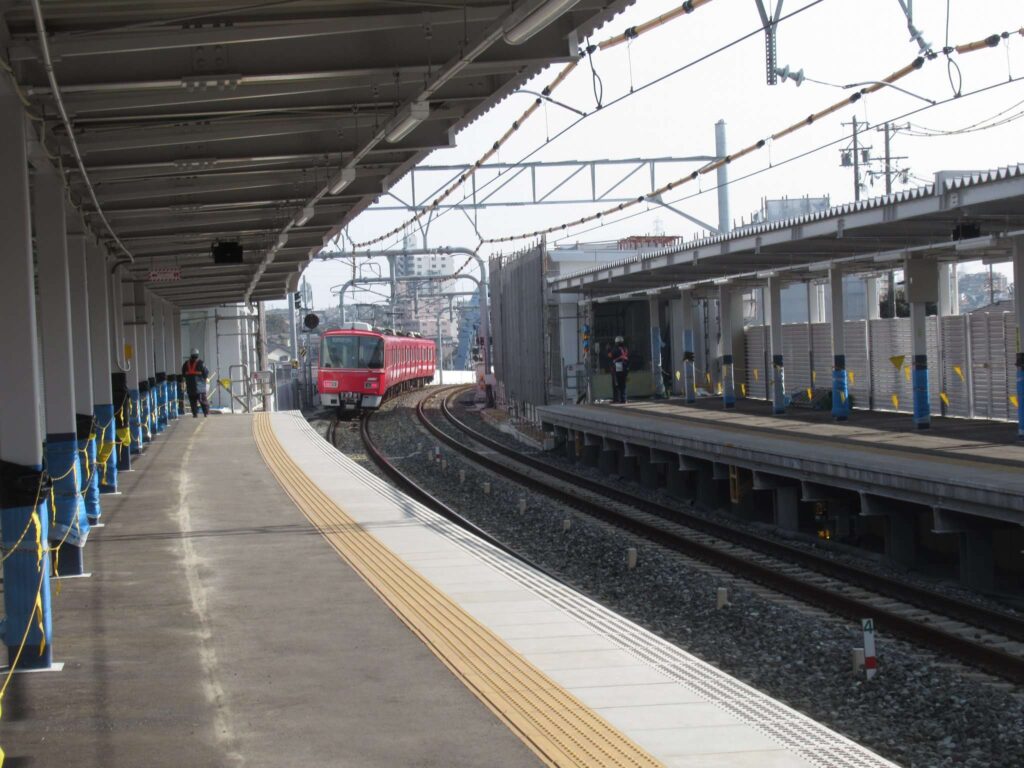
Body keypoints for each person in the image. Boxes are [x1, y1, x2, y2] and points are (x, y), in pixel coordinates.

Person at [181, 349, 210, 418]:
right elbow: (206, 373)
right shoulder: (201, 363)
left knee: (192, 401)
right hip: (199, 387)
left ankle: (195, 414)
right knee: (202, 400)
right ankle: (206, 413)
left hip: (190, 387)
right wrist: (205, 378)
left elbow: (183, 374)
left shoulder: (186, 364)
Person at [608, 336, 629, 403]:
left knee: (616, 383)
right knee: (623, 384)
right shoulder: (625, 349)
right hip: (625, 366)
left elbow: (610, 355)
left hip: (618, 366)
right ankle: (623, 399)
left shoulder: (616, 349)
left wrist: (608, 350)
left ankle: (616, 399)